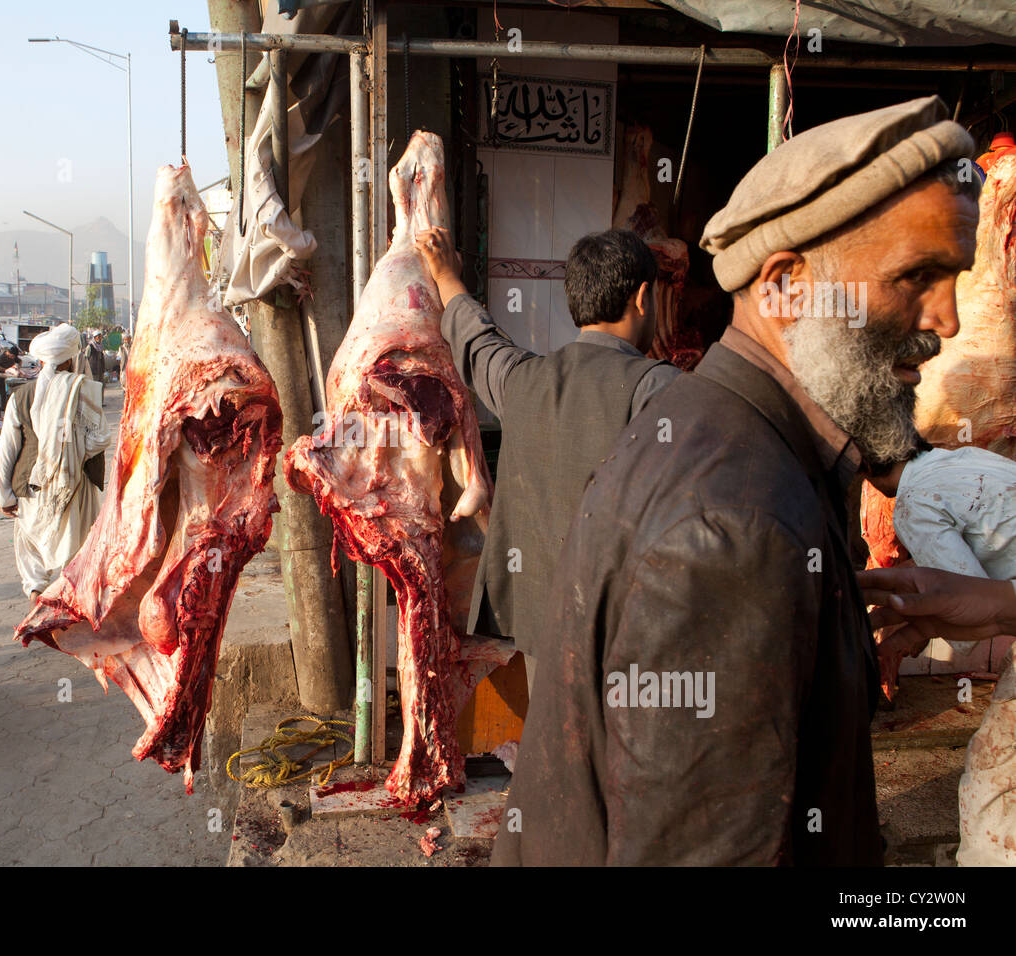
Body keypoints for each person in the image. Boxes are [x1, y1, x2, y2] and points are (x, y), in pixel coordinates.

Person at [493, 96, 979, 866]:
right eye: (916, 275)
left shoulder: (720, 428)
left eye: (954, 277)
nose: (947, 320)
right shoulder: (737, 531)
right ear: (786, 286)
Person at [415, 227, 676, 688]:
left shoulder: (523, 380)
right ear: (642, 297)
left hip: (544, 628)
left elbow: (477, 341)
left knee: (559, 749)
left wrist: (444, 275)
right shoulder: (659, 389)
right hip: (626, 633)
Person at [865, 442, 1016, 866]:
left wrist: (915, 629)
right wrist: (923, 626)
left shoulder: (913, 503)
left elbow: (967, 607)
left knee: (994, 797)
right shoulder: (967, 456)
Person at [0, 324, 111, 601]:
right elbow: (101, 438)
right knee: (76, 545)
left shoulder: (20, 396)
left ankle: (36, 591)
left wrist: (4, 495)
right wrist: (72, 454)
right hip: (74, 482)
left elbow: (8, 449)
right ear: (70, 360)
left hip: (31, 484)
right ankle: (71, 599)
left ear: (44, 360)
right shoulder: (83, 391)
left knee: (32, 547)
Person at [0, 344, 21, 410]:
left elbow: (20, 361)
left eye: (14, 357)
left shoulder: (14, 356)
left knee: (10, 391)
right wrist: (6, 370)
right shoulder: (2, 357)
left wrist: (18, 369)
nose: (13, 358)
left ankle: (10, 406)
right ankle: (3, 407)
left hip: (10, 375)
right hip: (0, 375)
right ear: (9, 353)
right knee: (2, 392)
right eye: (12, 356)